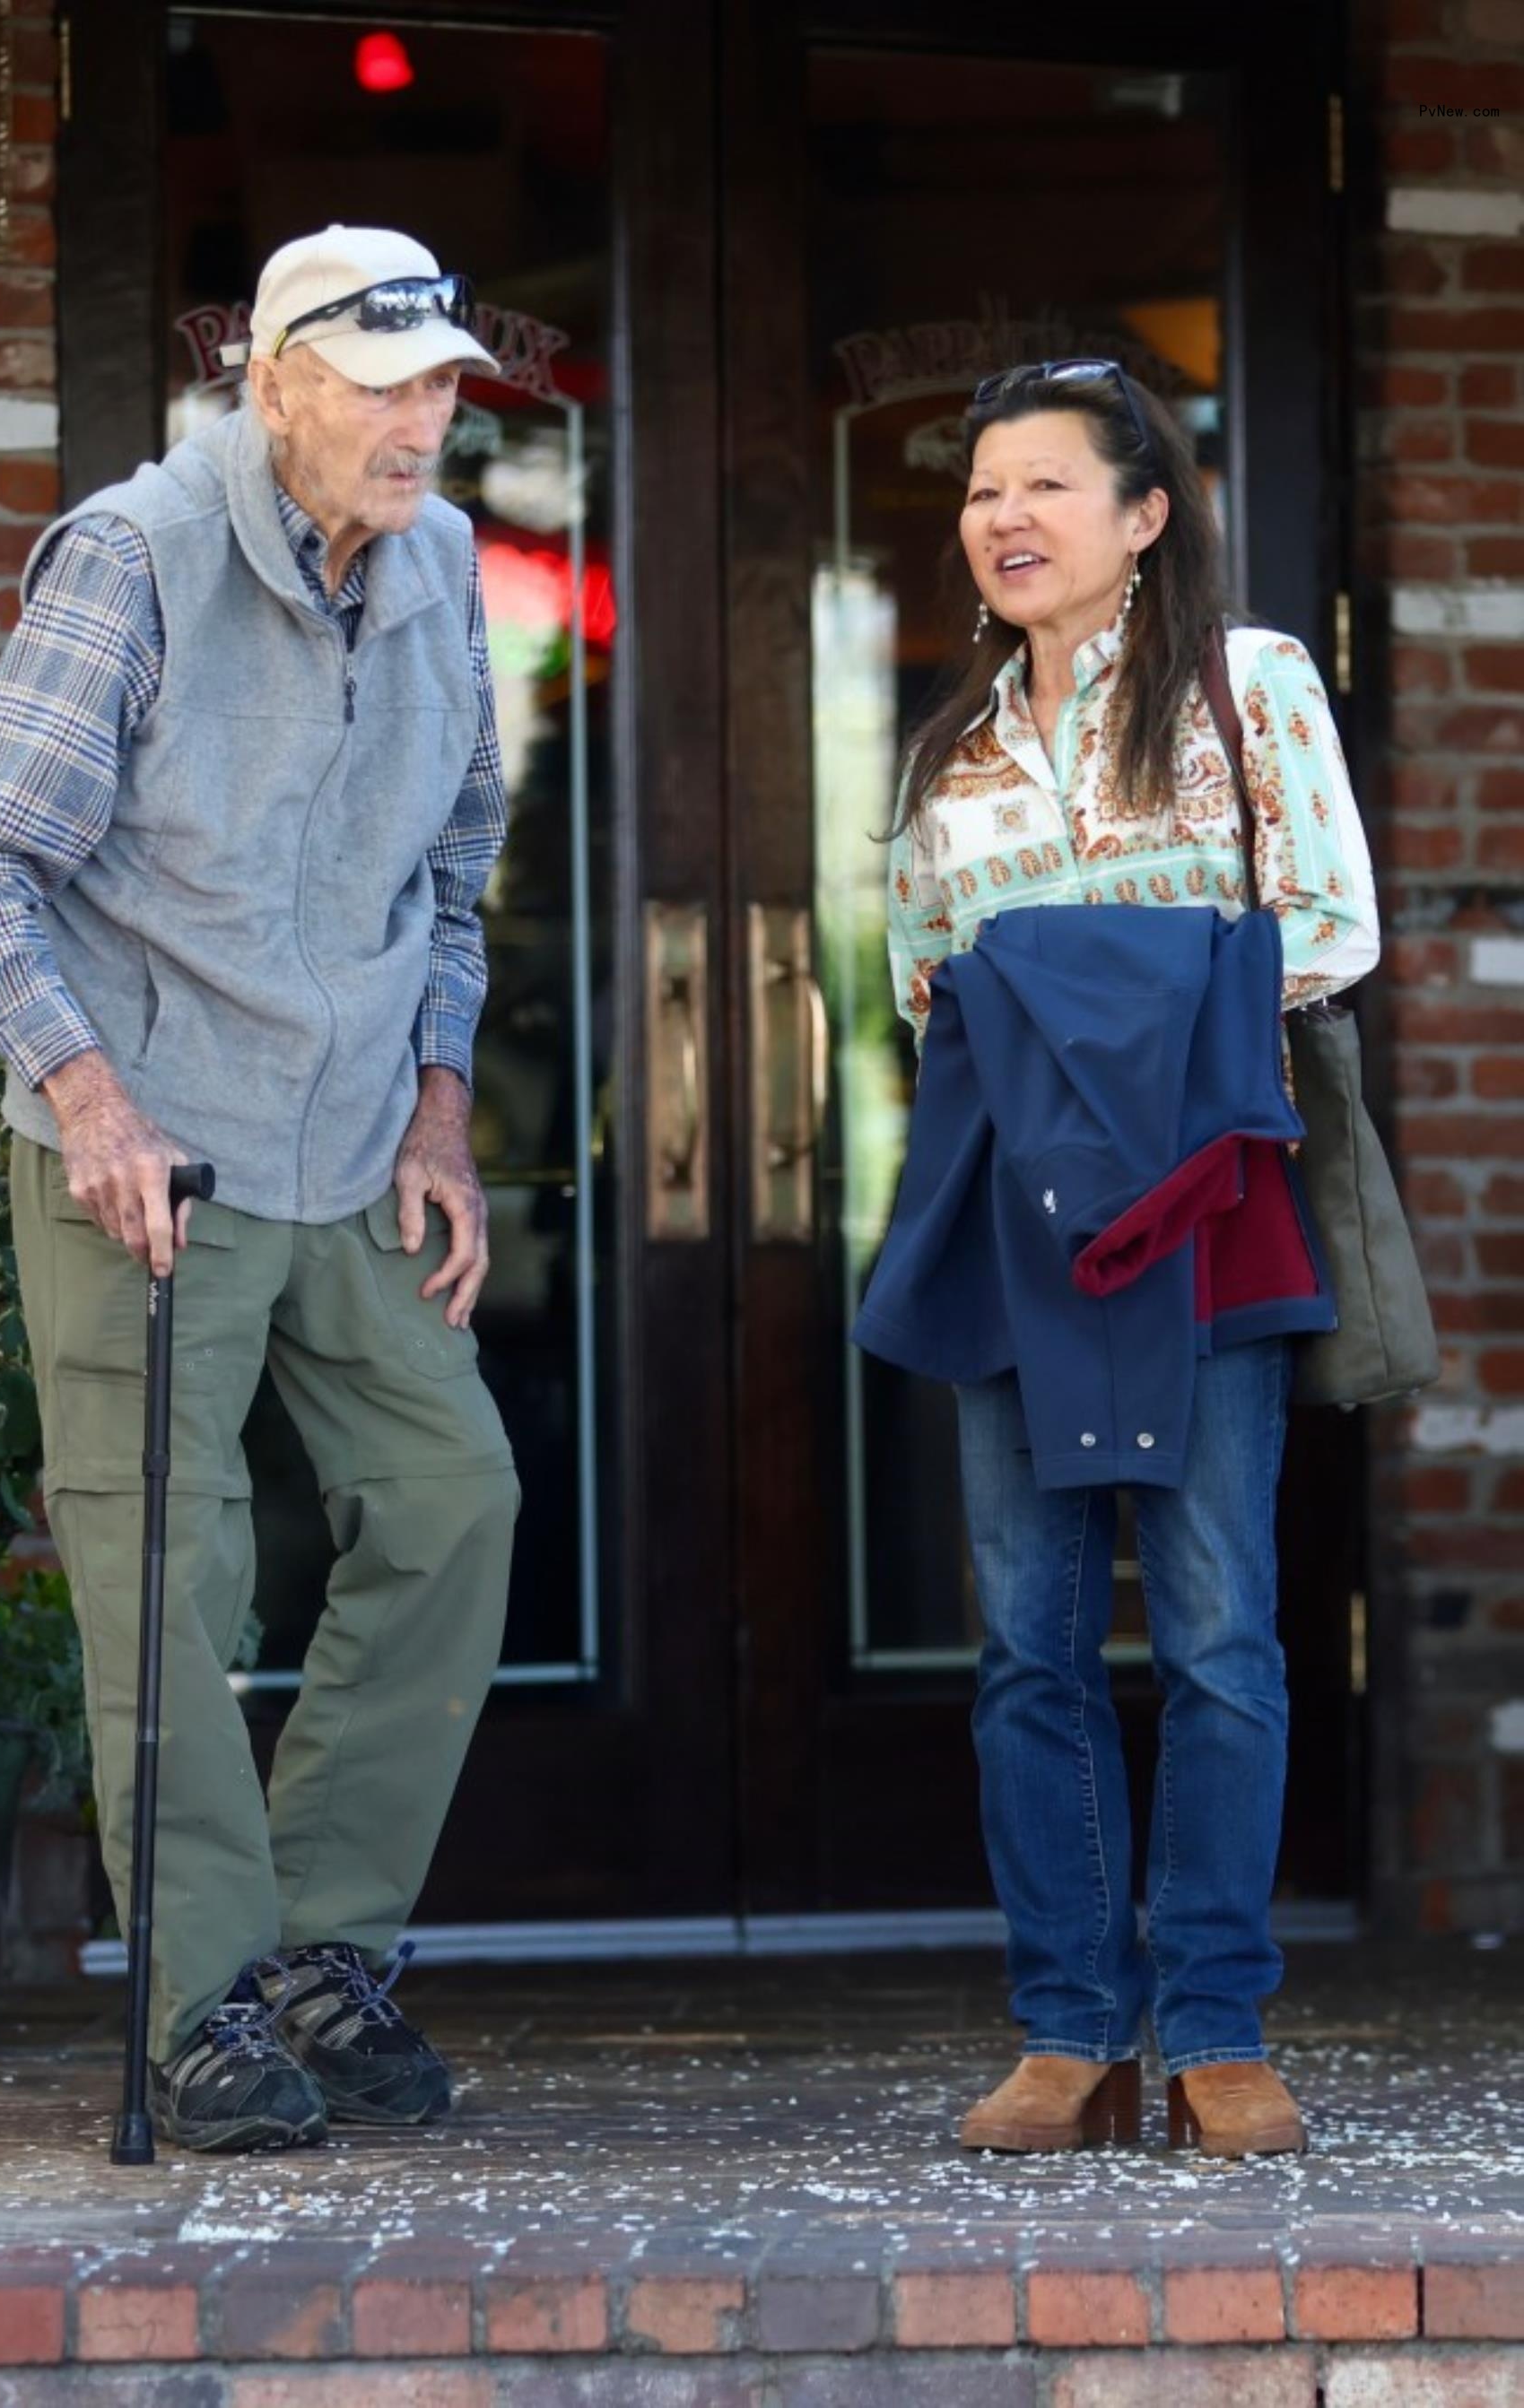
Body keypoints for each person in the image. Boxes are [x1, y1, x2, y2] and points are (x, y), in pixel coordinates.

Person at [0, 226, 522, 2155]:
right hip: (148, 1145)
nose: (422, 420)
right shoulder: (137, 553)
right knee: (172, 1572)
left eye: (441, 385)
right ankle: (198, 1999)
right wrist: (85, 1096)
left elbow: (455, 867)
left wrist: (440, 1104)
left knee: (451, 1496)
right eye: (383, 381)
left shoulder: (441, 571)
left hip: (349, 1135)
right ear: (274, 383)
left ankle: (320, 1953)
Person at [882, 360, 1379, 2159]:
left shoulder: (1252, 689)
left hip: (1203, 1210)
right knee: (1024, 1637)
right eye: (981, 492)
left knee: (1224, 1625)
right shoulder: (955, 747)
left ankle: (1221, 2026)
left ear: (1146, 514)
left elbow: (1330, 928)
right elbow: (917, 981)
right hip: (1022, 1221)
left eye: (1048, 487)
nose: (1003, 520)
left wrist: (1075, 994)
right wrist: (1112, 986)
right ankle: (1072, 2031)